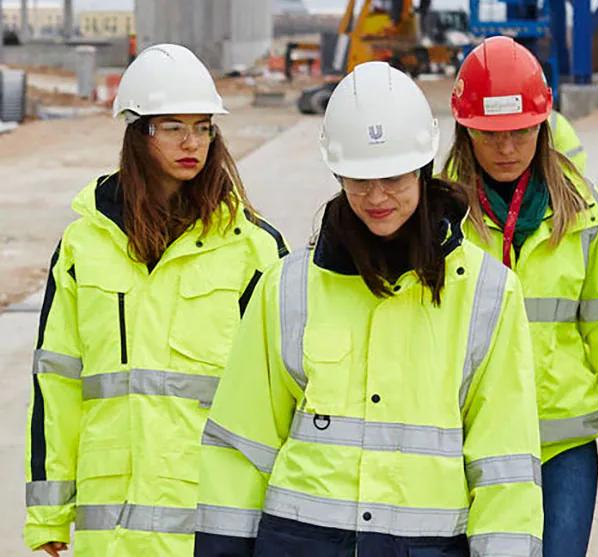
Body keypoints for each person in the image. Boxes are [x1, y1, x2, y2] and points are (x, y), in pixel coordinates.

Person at [193, 61, 543, 557]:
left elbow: (504, 464)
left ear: (423, 167)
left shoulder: (487, 292)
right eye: (359, 179)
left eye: (393, 178)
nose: (376, 197)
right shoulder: (287, 287)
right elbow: (241, 446)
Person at [23, 44, 287, 557]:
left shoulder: (253, 248)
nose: (192, 142)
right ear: (138, 132)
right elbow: (56, 384)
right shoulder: (83, 246)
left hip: (213, 526)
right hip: (112, 530)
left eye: (203, 127)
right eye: (172, 127)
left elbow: (281, 395)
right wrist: (49, 513)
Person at [443, 36, 598, 557]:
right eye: (491, 134)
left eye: (521, 131)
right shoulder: (436, 217)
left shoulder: (584, 214)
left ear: (544, 124)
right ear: (465, 130)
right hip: (462, 445)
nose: (507, 149)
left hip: (562, 449)